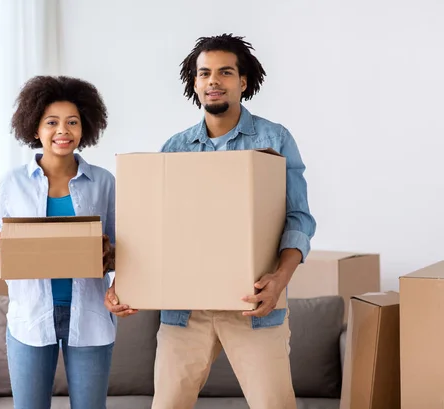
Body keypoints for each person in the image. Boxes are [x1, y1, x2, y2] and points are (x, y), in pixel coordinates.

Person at [105, 33, 316, 409]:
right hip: (185, 311)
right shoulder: (175, 148)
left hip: (253, 305)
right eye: (204, 74)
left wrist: (280, 280)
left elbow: (298, 217)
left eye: (225, 72)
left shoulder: (275, 139)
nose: (213, 81)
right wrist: (126, 281)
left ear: (243, 81)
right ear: (195, 83)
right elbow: (154, 225)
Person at [0, 75, 117, 409]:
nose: (63, 131)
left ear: (85, 126)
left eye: (72, 122)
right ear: (35, 128)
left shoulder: (104, 181)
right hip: (30, 315)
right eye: (52, 122)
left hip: (89, 313)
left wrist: (111, 261)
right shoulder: (11, 183)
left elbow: (121, 249)